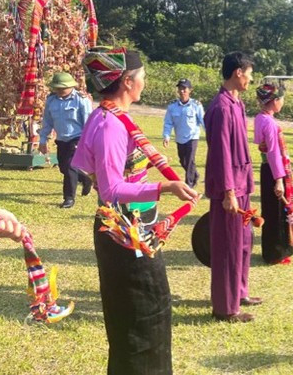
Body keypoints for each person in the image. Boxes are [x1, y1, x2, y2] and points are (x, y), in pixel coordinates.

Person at [73, 48, 199, 373]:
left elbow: (89, 170)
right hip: (125, 234)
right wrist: (164, 187)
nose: (145, 82)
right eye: (141, 77)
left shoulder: (107, 117)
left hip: (133, 228)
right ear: (128, 81)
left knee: (146, 316)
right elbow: (112, 189)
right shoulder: (110, 125)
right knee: (140, 318)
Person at [204, 51, 261, 323]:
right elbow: (221, 153)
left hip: (243, 186)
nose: (251, 78)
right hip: (230, 190)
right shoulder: (221, 107)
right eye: (249, 72)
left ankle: (240, 291)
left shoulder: (236, 103)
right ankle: (226, 308)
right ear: (238, 72)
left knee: (244, 241)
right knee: (227, 246)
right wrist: (227, 192)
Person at [254, 83, 293, 265]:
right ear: (275, 101)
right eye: (281, 99)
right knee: (277, 212)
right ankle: (276, 252)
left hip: (267, 169)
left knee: (269, 210)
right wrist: (279, 180)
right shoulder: (270, 123)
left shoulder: (259, 118)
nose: (282, 102)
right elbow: (273, 153)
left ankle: (271, 250)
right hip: (274, 171)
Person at [39, 72, 93, 208]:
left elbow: (88, 123)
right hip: (61, 140)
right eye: (57, 88)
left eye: (62, 88)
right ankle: (86, 178)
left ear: (71, 86)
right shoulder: (51, 100)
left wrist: (87, 143)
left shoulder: (81, 100)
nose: (59, 91)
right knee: (64, 168)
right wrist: (42, 140)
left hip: (77, 138)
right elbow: (47, 121)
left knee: (69, 168)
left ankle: (69, 198)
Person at [162, 78, 205, 188]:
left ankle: (189, 185)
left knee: (190, 160)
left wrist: (210, 134)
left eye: (185, 88)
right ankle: (194, 174)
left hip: (192, 137)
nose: (182, 91)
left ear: (190, 90)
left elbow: (203, 121)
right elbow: (168, 123)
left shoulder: (196, 105)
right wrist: (166, 136)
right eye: (180, 88)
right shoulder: (172, 106)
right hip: (180, 138)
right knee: (183, 161)